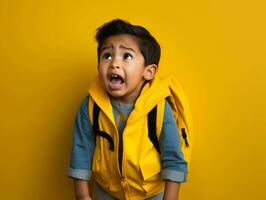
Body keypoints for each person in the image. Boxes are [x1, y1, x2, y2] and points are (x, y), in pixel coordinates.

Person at [68, 19, 188, 200]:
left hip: (150, 194)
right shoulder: (91, 106)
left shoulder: (159, 109)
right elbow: (81, 151)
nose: (114, 63)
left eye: (126, 56)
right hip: (107, 191)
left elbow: (173, 160)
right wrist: (83, 196)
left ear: (148, 72)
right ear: (98, 66)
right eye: (107, 55)